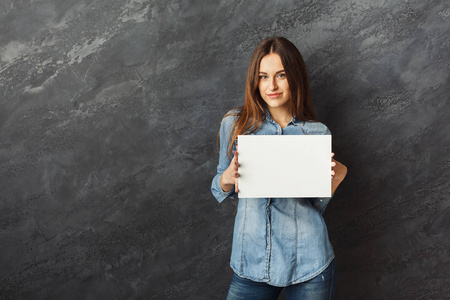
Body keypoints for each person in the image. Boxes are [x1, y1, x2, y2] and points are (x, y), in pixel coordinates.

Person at [211, 37, 347, 300]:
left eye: (281, 75)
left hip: (309, 262)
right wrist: (228, 177)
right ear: (255, 81)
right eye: (263, 76)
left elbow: (313, 208)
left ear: (295, 77)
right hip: (251, 261)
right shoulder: (235, 125)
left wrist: (333, 179)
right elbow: (219, 185)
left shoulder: (316, 133)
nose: (271, 86)